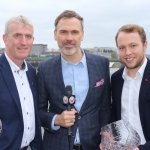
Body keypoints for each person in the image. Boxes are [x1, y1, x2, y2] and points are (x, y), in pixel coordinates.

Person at [37, 10, 111, 150]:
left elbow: (105, 107)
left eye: (74, 32)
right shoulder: (44, 68)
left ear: (82, 34)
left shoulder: (102, 64)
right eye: (63, 32)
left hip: (94, 145)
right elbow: (38, 111)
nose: (69, 38)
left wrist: (105, 137)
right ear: (55, 35)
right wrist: (56, 120)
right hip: (56, 145)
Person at [0, 15, 43, 150]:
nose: (23, 42)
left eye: (28, 36)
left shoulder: (31, 71)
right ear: (5, 39)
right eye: (17, 35)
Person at [111, 24, 150, 150]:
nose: (127, 52)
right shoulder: (116, 79)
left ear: (145, 45)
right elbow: (115, 113)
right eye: (122, 48)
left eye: (133, 46)